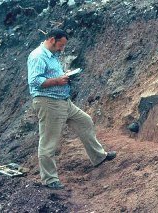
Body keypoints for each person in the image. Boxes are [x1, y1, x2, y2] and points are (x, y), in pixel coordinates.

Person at [27, 29, 116, 189]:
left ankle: (98, 157)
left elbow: (50, 75)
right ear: (52, 40)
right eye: (60, 45)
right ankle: (49, 180)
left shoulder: (52, 55)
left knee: (85, 121)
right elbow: (34, 81)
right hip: (49, 103)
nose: (62, 49)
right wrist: (56, 81)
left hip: (64, 101)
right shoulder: (37, 56)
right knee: (49, 142)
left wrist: (64, 75)